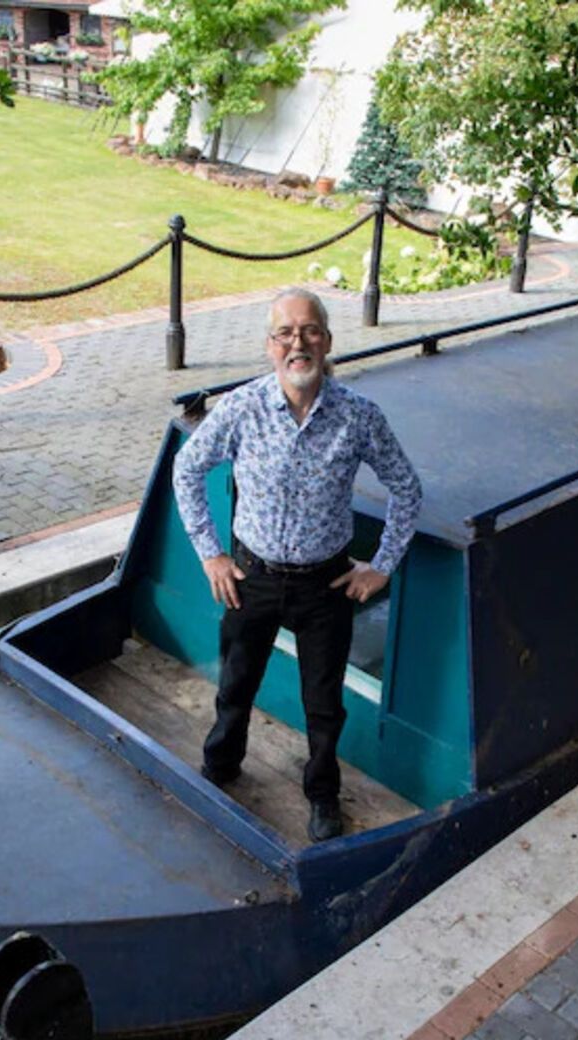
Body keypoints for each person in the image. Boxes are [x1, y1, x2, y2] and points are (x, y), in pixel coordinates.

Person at [172, 288, 423, 842]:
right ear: (270, 347)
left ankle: (322, 794)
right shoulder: (241, 408)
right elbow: (186, 469)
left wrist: (382, 565)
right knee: (236, 685)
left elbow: (407, 488)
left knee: (324, 704)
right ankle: (220, 766)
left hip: (324, 583)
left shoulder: (359, 416)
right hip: (251, 577)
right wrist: (209, 553)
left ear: (327, 342)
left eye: (309, 331)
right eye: (285, 333)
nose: (298, 343)